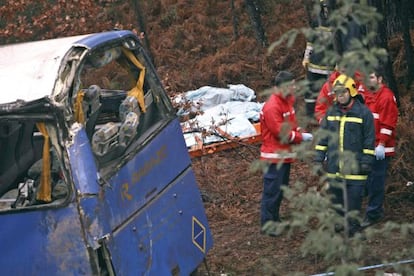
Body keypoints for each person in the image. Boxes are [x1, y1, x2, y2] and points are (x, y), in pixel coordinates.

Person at [314, 74, 375, 237]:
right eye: (337, 93)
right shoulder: (331, 112)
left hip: (356, 168)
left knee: (354, 200)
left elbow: (369, 140)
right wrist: (318, 159)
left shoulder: (364, 113)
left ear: (351, 92)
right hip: (335, 167)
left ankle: (353, 227)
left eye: (343, 93)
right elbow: (323, 138)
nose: (340, 96)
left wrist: (367, 161)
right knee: (336, 199)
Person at [259, 71, 313, 236]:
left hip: (283, 155)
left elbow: (291, 125)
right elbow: (282, 132)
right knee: (272, 191)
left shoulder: (287, 101)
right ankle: (268, 224)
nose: (294, 87)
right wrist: (300, 137)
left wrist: (298, 132)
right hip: (274, 157)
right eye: (291, 85)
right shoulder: (272, 106)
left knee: (280, 190)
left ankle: (274, 219)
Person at [361, 69, 398, 228]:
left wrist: (381, 144)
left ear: (380, 79)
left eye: (371, 77)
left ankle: (374, 213)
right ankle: (372, 209)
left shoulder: (386, 97)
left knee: (376, 181)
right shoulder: (369, 96)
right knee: (369, 180)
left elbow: (388, 123)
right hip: (369, 146)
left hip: (380, 149)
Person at [302, 0, 337, 117]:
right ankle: (311, 117)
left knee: (330, 92)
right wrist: (306, 57)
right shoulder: (316, 21)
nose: (327, 10)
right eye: (325, 7)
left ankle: (330, 116)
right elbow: (310, 42)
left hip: (330, 67)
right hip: (314, 66)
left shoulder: (338, 23)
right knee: (311, 93)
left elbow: (340, 46)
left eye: (329, 7)